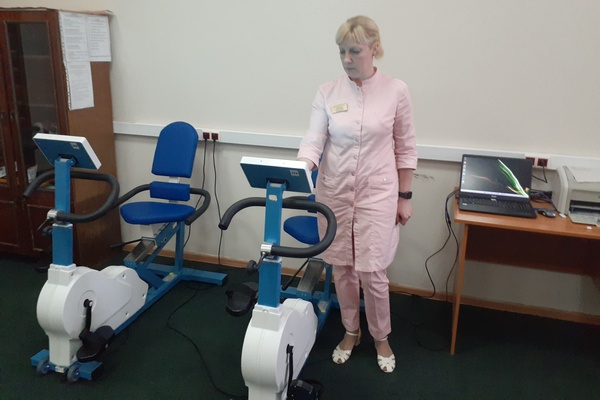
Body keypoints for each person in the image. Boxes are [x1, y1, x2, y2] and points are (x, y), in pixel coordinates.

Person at [297, 15, 417, 373]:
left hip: (378, 195)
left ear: (374, 49)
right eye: (341, 51)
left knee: (373, 272)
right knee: (343, 270)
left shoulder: (396, 91)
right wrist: (300, 167)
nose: (347, 59)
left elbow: (405, 147)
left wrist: (405, 197)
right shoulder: (328, 91)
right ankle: (351, 331)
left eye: (355, 51)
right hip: (334, 192)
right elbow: (314, 139)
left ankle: (381, 337)